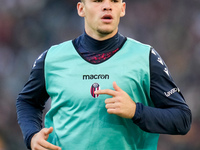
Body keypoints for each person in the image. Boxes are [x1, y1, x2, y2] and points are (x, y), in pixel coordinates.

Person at [16, 0, 192, 150]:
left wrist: (135, 111)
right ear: (81, 8)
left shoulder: (145, 57)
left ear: (122, 9)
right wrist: (31, 136)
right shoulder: (52, 59)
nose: (107, 6)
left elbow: (182, 119)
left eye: (114, 1)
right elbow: (27, 101)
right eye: (98, 0)